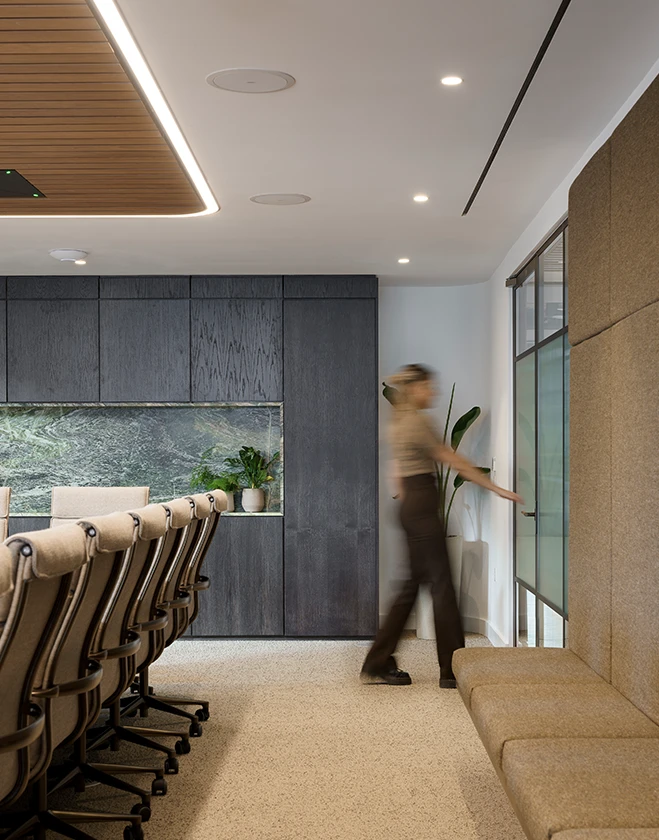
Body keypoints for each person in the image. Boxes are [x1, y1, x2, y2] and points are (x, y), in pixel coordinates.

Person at [361, 364, 523, 689]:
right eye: (428, 387)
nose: (432, 392)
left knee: (413, 586)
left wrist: (411, 503)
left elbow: (396, 474)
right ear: (415, 388)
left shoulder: (399, 420)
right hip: (420, 507)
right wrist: (497, 489)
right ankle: (452, 669)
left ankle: (378, 662)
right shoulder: (418, 422)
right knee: (442, 586)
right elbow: (454, 460)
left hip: (410, 506)